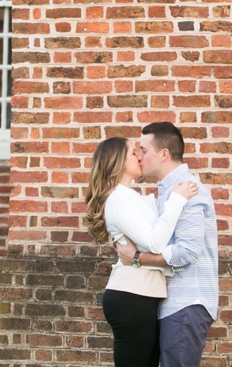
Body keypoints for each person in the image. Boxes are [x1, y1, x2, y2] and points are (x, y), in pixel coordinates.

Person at [84, 136, 199, 367]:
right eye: (132, 152)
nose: (138, 156)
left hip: (141, 296)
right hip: (131, 297)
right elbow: (154, 242)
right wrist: (177, 200)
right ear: (117, 162)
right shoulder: (118, 199)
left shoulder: (129, 197)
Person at [114, 122, 220, 367]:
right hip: (172, 303)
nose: (138, 156)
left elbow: (187, 252)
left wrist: (138, 257)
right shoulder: (169, 190)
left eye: (143, 149)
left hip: (186, 302)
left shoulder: (189, 191)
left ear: (164, 154)